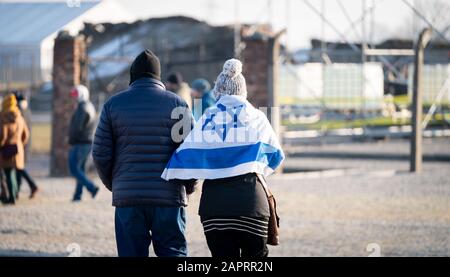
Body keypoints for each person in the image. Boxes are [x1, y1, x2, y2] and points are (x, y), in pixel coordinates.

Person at [162, 59, 285, 257]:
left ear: (218, 91)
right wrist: (252, 165)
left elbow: (185, 157)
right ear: (243, 91)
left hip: (214, 207)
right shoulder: (257, 117)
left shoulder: (208, 117)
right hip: (253, 204)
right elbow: (276, 156)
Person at [92, 50, 196, 257]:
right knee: (173, 253)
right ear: (158, 76)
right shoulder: (177, 104)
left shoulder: (113, 105)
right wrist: (189, 185)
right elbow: (189, 152)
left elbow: (100, 153)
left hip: (128, 198)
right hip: (168, 198)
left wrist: (116, 184)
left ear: (133, 75)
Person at [68, 85, 99, 202]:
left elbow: (77, 128)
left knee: (74, 169)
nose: (74, 98)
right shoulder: (89, 106)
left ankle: (92, 187)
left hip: (80, 142)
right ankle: (78, 195)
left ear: (82, 95)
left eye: (76, 95)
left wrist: (71, 140)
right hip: (88, 142)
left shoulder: (82, 108)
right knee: (80, 169)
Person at [0, 94, 30, 205]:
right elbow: (26, 135)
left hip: (6, 149)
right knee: (12, 173)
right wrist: (20, 144)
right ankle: (14, 194)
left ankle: (10, 196)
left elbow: (3, 135)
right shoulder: (19, 116)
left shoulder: (3, 116)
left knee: (7, 173)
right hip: (18, 149)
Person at [13, 92, 39, 199]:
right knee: (19, 168)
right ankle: (20, 189)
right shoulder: (27, 111)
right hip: (24, 144)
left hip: (22, 144)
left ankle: (27, 187)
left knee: (19, 167)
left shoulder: (21, 112)